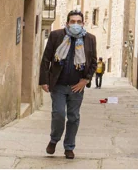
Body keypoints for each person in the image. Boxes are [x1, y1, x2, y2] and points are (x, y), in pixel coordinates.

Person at [39, 10, 98, 159]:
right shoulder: (56, 36)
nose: (76, 24)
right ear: (67, 23)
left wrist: (85, 80)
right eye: (72, 21)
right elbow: (46, 59)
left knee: (73, 117)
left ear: (83, 23)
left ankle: (69, 147)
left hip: (76, 86)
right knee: (58, 114)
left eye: (79, 22)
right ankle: (54, 140)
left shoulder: (90, 39)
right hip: (58, 84)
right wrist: (44, 80)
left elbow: (93, 62)